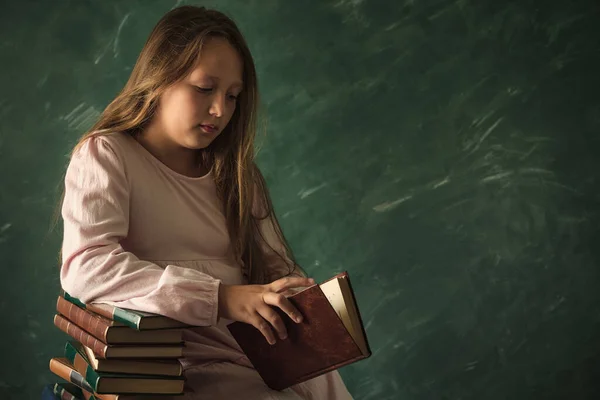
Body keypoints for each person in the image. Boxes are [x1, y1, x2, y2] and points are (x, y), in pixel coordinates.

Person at [58, 5, 352, 400]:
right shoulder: (106, 155)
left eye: (232, 96)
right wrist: (220, 298)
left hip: (267, 352)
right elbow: (87, 267)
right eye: (204, 88)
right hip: (178, 360)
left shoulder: (237, 174)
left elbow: (275, 266)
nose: (220, 110)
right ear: (161, 76)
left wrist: (301, 302)